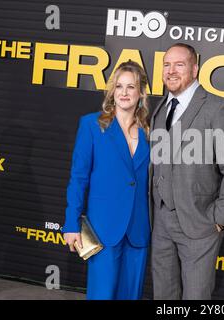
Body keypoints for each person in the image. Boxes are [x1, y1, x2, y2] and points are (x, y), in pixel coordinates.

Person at [149, 43, 224, 299]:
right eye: (167, 65)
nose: (171, 71)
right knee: (163, 294)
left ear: (194, 68)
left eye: (179, 65)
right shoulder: (160, 108)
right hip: (160, 222)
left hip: (199, 222)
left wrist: (221, 218)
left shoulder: (217, 107)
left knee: (196, 296)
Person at [62, 60, 151, 300]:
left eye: (130, 87)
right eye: (119, 86)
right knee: (102, 295)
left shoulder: (150, 130)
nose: (124, 93)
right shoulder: (92, 124)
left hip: (139, 228)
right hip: (104, 227)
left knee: (130, 295)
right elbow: (78, 177)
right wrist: (71, 223)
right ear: (112, 91)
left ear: (141, 92)